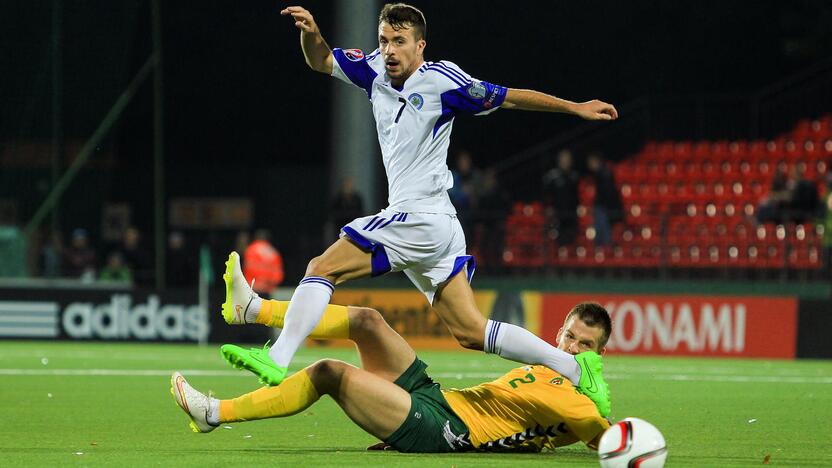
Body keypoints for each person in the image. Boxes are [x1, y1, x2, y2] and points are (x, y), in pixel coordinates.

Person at [220, 3, 618, 416]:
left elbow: (510, 98)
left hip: (422, 216)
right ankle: (574, 367)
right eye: (384, 41)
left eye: (399, 42)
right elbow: (321, 59)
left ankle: (278, 356)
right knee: (470, 330)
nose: (389, 50)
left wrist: (573, 107)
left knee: (323, 267)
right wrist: (310, 31)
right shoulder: (373, 70)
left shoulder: (442, 81)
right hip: (435, 224)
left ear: (419, 45)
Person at [172, 299, 612, 453]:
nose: (571, 347)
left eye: (584, 344)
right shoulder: (546, 367)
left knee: (329, 372)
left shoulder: (575, 394)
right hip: (440, 399)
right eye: (569, 336)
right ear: (558, 332)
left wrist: (619, 441)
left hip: (445, 429)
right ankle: (255, 309)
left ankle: (215, 413)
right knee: (368, 320)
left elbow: (601, 431)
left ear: (599, 353)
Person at [542, 149, 580, 245]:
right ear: (559, 160)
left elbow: (577, 196)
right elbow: (546, 195)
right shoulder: (552, 176)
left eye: (568, 159)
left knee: (572, 240)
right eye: (564, 159)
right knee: (558, 241)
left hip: (571, 214)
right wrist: (549, 207)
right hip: (557, 215)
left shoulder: (574, 176)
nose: (566, 162)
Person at [586, 152, 622, 247]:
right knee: (602, 231)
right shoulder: (599, 174)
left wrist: (604, 205)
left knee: (603, 232)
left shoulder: (603, 174)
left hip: (603, 207)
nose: (589, 165)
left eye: (591, 162)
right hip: (604, 207)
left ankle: (604, 250)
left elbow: (608, 192)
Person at [243, 229, 285, 297]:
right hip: (267, 290)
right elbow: (278, 276)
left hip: (252, 289)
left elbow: (247, 267)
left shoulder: (251, 249)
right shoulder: (273, 252)